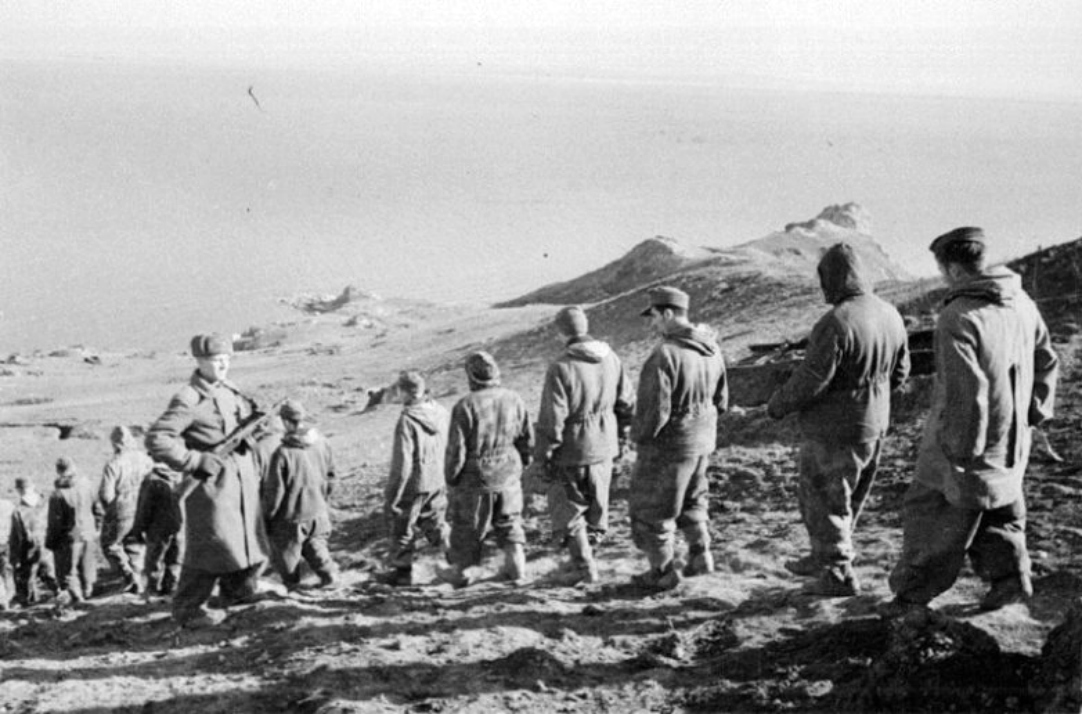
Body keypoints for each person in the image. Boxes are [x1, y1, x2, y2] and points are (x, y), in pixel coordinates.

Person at [883, 227, 1059, 615]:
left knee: (932, 514)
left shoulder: (958, 315)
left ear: (952, 268)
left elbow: (966, 390)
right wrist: (1033, 413)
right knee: (1002, 507)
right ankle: (1010, 581)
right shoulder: (1022, 302)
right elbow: (1047, 360)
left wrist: (959, 450)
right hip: (1012, 438)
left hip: (967, 438)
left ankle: (911, 598)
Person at [767, 243, 911, 597]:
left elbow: (812, 380)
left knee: (824, 501)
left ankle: (836, 573)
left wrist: (778, 405)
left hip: (833, 431)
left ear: (833, 279)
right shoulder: (890, 314)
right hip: (873, 427)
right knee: (848, 499)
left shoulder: (836, 321)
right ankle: (827, 556)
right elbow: (901, 372)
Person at [146, 333, 269, 628]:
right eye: (216, 360)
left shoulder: (230, 390)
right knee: (210, 545)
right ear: (200, 362)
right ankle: (187, 608)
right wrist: (195, 461)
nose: (223, 365)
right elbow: (158, 439)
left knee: (243, 538)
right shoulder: (189, 399)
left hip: (240, 483)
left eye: (226, 359)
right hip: (213, 487)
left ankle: (238, 591)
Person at [629, 286, 728, 589]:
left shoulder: (665, 355)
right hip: (702, 442)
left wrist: (638, 439)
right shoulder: (712, 349)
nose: (652, 324)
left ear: (668, 314)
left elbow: (654, 413)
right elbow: (722, 401)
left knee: (653, 510)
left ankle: (661, 573)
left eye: (654, 317)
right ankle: (702, 557)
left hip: (670, 447)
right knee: (693, 502)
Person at [533, 306, 635, 584]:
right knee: (597, 505)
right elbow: (627, 403)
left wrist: (543, 455)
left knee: (570, 508)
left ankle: (583, 567)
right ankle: (590, 558)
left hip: (573, 450)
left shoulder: (561, 367)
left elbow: (552, 419)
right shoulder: (611, 358)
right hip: (605, 446)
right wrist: (621, 437)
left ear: (560, 332)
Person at [443, 351, 534, 587]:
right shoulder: (514, 398)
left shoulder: (465, 406)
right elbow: (526, 437)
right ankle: (518, 572)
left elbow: (456, 450)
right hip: (508, 471)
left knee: (468, 530)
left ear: (471, 376)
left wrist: (452, 479)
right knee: (511, 525)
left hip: (476, 478)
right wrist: (522, 464)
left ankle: (463, 576)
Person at [382, 371, 451, 587]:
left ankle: (403, 574)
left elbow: (402, 465)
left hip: (415, 482)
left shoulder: (407, 420)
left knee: (402, 526)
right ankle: (458, 558)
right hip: (438, 477)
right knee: (436, 522)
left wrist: (392, 496)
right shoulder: (441, 411)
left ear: (403, 392)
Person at [262, 399, 339, 589]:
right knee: (316, 545)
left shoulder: (283, 453)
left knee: (286, 553)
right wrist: (323, 500)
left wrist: (266, 518)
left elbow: (275, 493)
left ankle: (292, 587)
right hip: (318, 511)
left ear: (286, 422)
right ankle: (330, 576)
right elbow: (332, 477)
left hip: (291, 518)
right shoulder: (322, 442)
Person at [98, 425, 155, 594]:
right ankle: (139, 577)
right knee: (135, 542)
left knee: (110, 545)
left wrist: (110, 512)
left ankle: (129, 576)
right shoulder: (145, 459)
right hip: (144, 504)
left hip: (122, 506)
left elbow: (106, 494)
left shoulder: (114, 464)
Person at [45, 458, 98, 603]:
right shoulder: (88, 486)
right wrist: (96, 528)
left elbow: (54, 524)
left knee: (68, 572)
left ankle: (78, 599)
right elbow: (98, 509)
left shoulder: (57, 494)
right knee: (87, 567)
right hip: (88, 532)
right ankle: (89, 594)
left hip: (69, 537)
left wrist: (51, 542)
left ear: (58, 471)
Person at [131, 463, 185, 596]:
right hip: (180, 526)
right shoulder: (182, 477)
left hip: (159, 526)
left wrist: (138, 528)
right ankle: (171, 589)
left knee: (154, 561)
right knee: (175, 559)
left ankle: (152, 590)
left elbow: (144, 507)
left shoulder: (151, 480)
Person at [9, 478, 57, 606]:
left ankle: (31, 601)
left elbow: (17, 538)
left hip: (37, 547)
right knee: (46, 574)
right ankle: (59, 594)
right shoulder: (46, 503)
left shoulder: (20, 510)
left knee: (32, 577)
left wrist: (15, 557)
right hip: (42, 547)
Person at [0, 495, 13, 609]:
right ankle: (8, 599)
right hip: (7, 542)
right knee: (7, 571)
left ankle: (3, 600)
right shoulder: (8, 504)